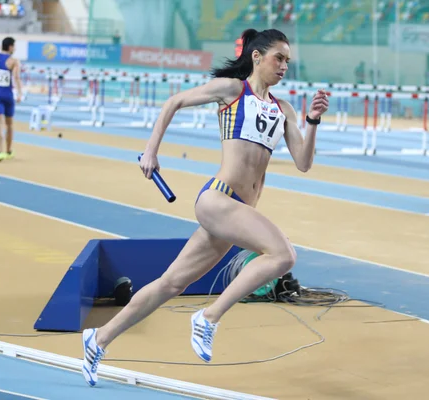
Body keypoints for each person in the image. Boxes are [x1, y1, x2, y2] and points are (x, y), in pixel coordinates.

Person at [80, 28, 329, 387]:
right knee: (283, 255)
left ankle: (98, 339)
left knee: (170, 284)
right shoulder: (232, 90)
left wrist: (313, 121)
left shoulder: (283, 108)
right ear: (257, 57)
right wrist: (151, 150)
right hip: (218, 199)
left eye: (288, 61)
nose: (284, 66)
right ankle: (209, 317)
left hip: (235, 211)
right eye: (279, 57)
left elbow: (303, 163)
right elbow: (173, 103)